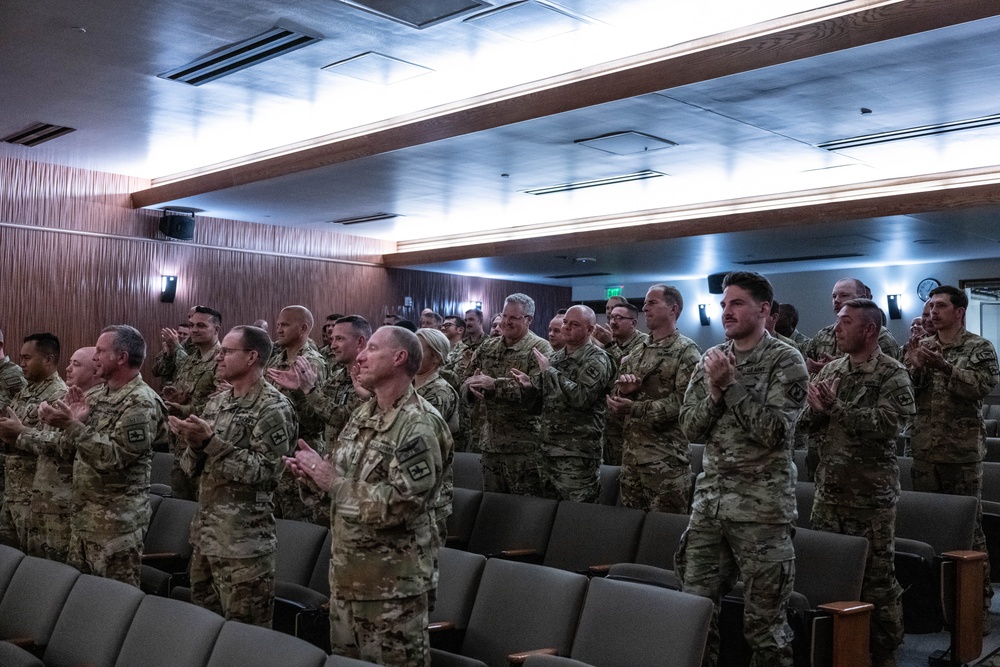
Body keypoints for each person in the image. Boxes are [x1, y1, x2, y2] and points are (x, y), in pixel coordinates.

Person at [285, 326, 448, 666]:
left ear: (399, 357)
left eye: (372, 349)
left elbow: (404, 503)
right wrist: (313, 477)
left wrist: (333, 484)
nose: (360, 356)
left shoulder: (417, 424)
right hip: (349, 577)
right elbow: (341, 482)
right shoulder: (364, 413)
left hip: (392, 589)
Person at [678, 271, 808, 667]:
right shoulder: (713, 358)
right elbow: (689, 427)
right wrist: (715, 394)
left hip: (761, 512)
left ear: (764, 309)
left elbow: (775, 432)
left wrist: (730, 387)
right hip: (711, 507)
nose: (726, 311)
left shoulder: (785, 360)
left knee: (764, 627)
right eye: (723, 305)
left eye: (736, 303)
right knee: (694, 614)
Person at [800, 298, 913, 667]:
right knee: (830, 573)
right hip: (829, 490)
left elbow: (889, 427)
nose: (836, 329)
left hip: (870, 496)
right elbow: (804, 423)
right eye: (837, 322)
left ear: (868, 329)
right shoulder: (831, 369)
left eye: (846, 322)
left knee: (877, 579)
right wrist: (816, 412)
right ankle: (837, 647)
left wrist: (835, 408)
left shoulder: (891, 373)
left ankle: (884, 651)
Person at [170, 325, 296, 626]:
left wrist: (210, 444)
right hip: (207, 535)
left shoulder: (273, 406)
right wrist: (194, 445)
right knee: (203, 627)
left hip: (244, 543)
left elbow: (266, 472)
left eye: (227, 352)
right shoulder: (217, 402)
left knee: (244, 637)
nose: (219, 358)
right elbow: (192, 466)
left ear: (252, 357)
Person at [38, 325, 168, 586]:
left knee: (114, 605)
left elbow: (116, 458)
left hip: (116, 526)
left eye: (100, 350)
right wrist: (58, 423)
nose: (94, 356)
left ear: (121, 357)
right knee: (82, 599)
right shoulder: (96, 395)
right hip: (84, 517)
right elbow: (67, 448)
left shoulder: (141, 401)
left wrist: (72, 426)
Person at [905, 284, 999, 628]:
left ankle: (977, 607)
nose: (932, 311)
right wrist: (914, 366)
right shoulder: (922, 346)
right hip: (925, 452)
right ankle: (937, 607)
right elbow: (905, 395)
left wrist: (945, 367)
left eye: (940, 305)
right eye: (930, 306)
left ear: (958, 311)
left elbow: (980, 387)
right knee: (930, 531)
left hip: (960, 455)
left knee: (968, 534)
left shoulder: (979, 347)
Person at [268, 315, 370, 525]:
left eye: (339, 339)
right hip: (331, 464)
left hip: (357, 475)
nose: (332, 345)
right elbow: (316, 421)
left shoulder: (369, 378)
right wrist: (298, 392)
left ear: (360, 341)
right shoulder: (338, 375)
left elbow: (343, 419)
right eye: (332, 339)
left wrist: (309, 389)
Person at [608, 285, 701, 512]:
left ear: (673, 309)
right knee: (630, 529)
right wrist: (622, 394)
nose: (644, 308)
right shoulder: (638, 350)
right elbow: (616, 392)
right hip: (631, 458)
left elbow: (685, 403)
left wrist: (635, 408)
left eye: (652, 303)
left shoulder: (686, 351)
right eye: (645, 303)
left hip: (665, 461)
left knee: (662, 535)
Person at [512, 305, 613, 503]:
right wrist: (528, 388)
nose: (566, 327)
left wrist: (549, 372)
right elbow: (537, 407)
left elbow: (581, 398)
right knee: (549, 515)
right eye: (565, 322)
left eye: (574, 324)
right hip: (548, 451)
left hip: (577, 454)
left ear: (590, 330)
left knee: (576, 519)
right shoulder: (554, 358)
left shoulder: (597, 358)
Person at [462, 293, 553, 496]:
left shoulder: (540, 349)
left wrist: (495, 385)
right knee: (493, 508)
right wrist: (471, 388)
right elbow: (465, 380)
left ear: (528, 320)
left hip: (524, 449)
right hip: (490, 445)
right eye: (504, 316)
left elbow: (540, 392)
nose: (506, 322)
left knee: (526, 512)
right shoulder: (488, 346)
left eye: (513, 317)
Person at [0, 333, 68, 552]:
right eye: (21, 357)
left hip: (37, 498)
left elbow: (55, 444)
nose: (21, 363)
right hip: (12, 492)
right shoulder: (25, 391)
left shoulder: (59, 396)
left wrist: (19, 433)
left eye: (27, 358)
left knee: (35, 565)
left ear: (48, 360)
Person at [266, 305, 327, 520]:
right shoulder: (276, 358)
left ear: (303, 328)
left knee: (298, 525)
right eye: (278, 325)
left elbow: (316, 419)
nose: (279, 329)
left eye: (285, 325)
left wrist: (300, 393)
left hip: (299, 454)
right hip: (277, 454)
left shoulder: (311, 362)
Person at [162, 305, 223, 500]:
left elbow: (223, 404)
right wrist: (176, 397)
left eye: (201, 325)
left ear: (217, 329)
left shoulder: (223, 360)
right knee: (180, 502)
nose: (194, 330)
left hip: (206, 447)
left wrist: (185, 408)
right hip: (181, 443)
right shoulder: (190, 360)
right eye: (192, 325)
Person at [804, 278, 899, 374]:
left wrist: (835, 368)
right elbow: (804, 362)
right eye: (834, 296)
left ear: (862, 298)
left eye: (843, 295)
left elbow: (888, 371)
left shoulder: (878, 334)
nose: (836, 300)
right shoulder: (823, 334)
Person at [601, 302, 648, 466]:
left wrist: (609, 345)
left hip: (629, 425)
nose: (613, 322)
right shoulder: (609, 343)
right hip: (607, 424)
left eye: (619, 318)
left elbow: (627, 369)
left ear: (633, 323)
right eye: (611, 317)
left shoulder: (643, 344)